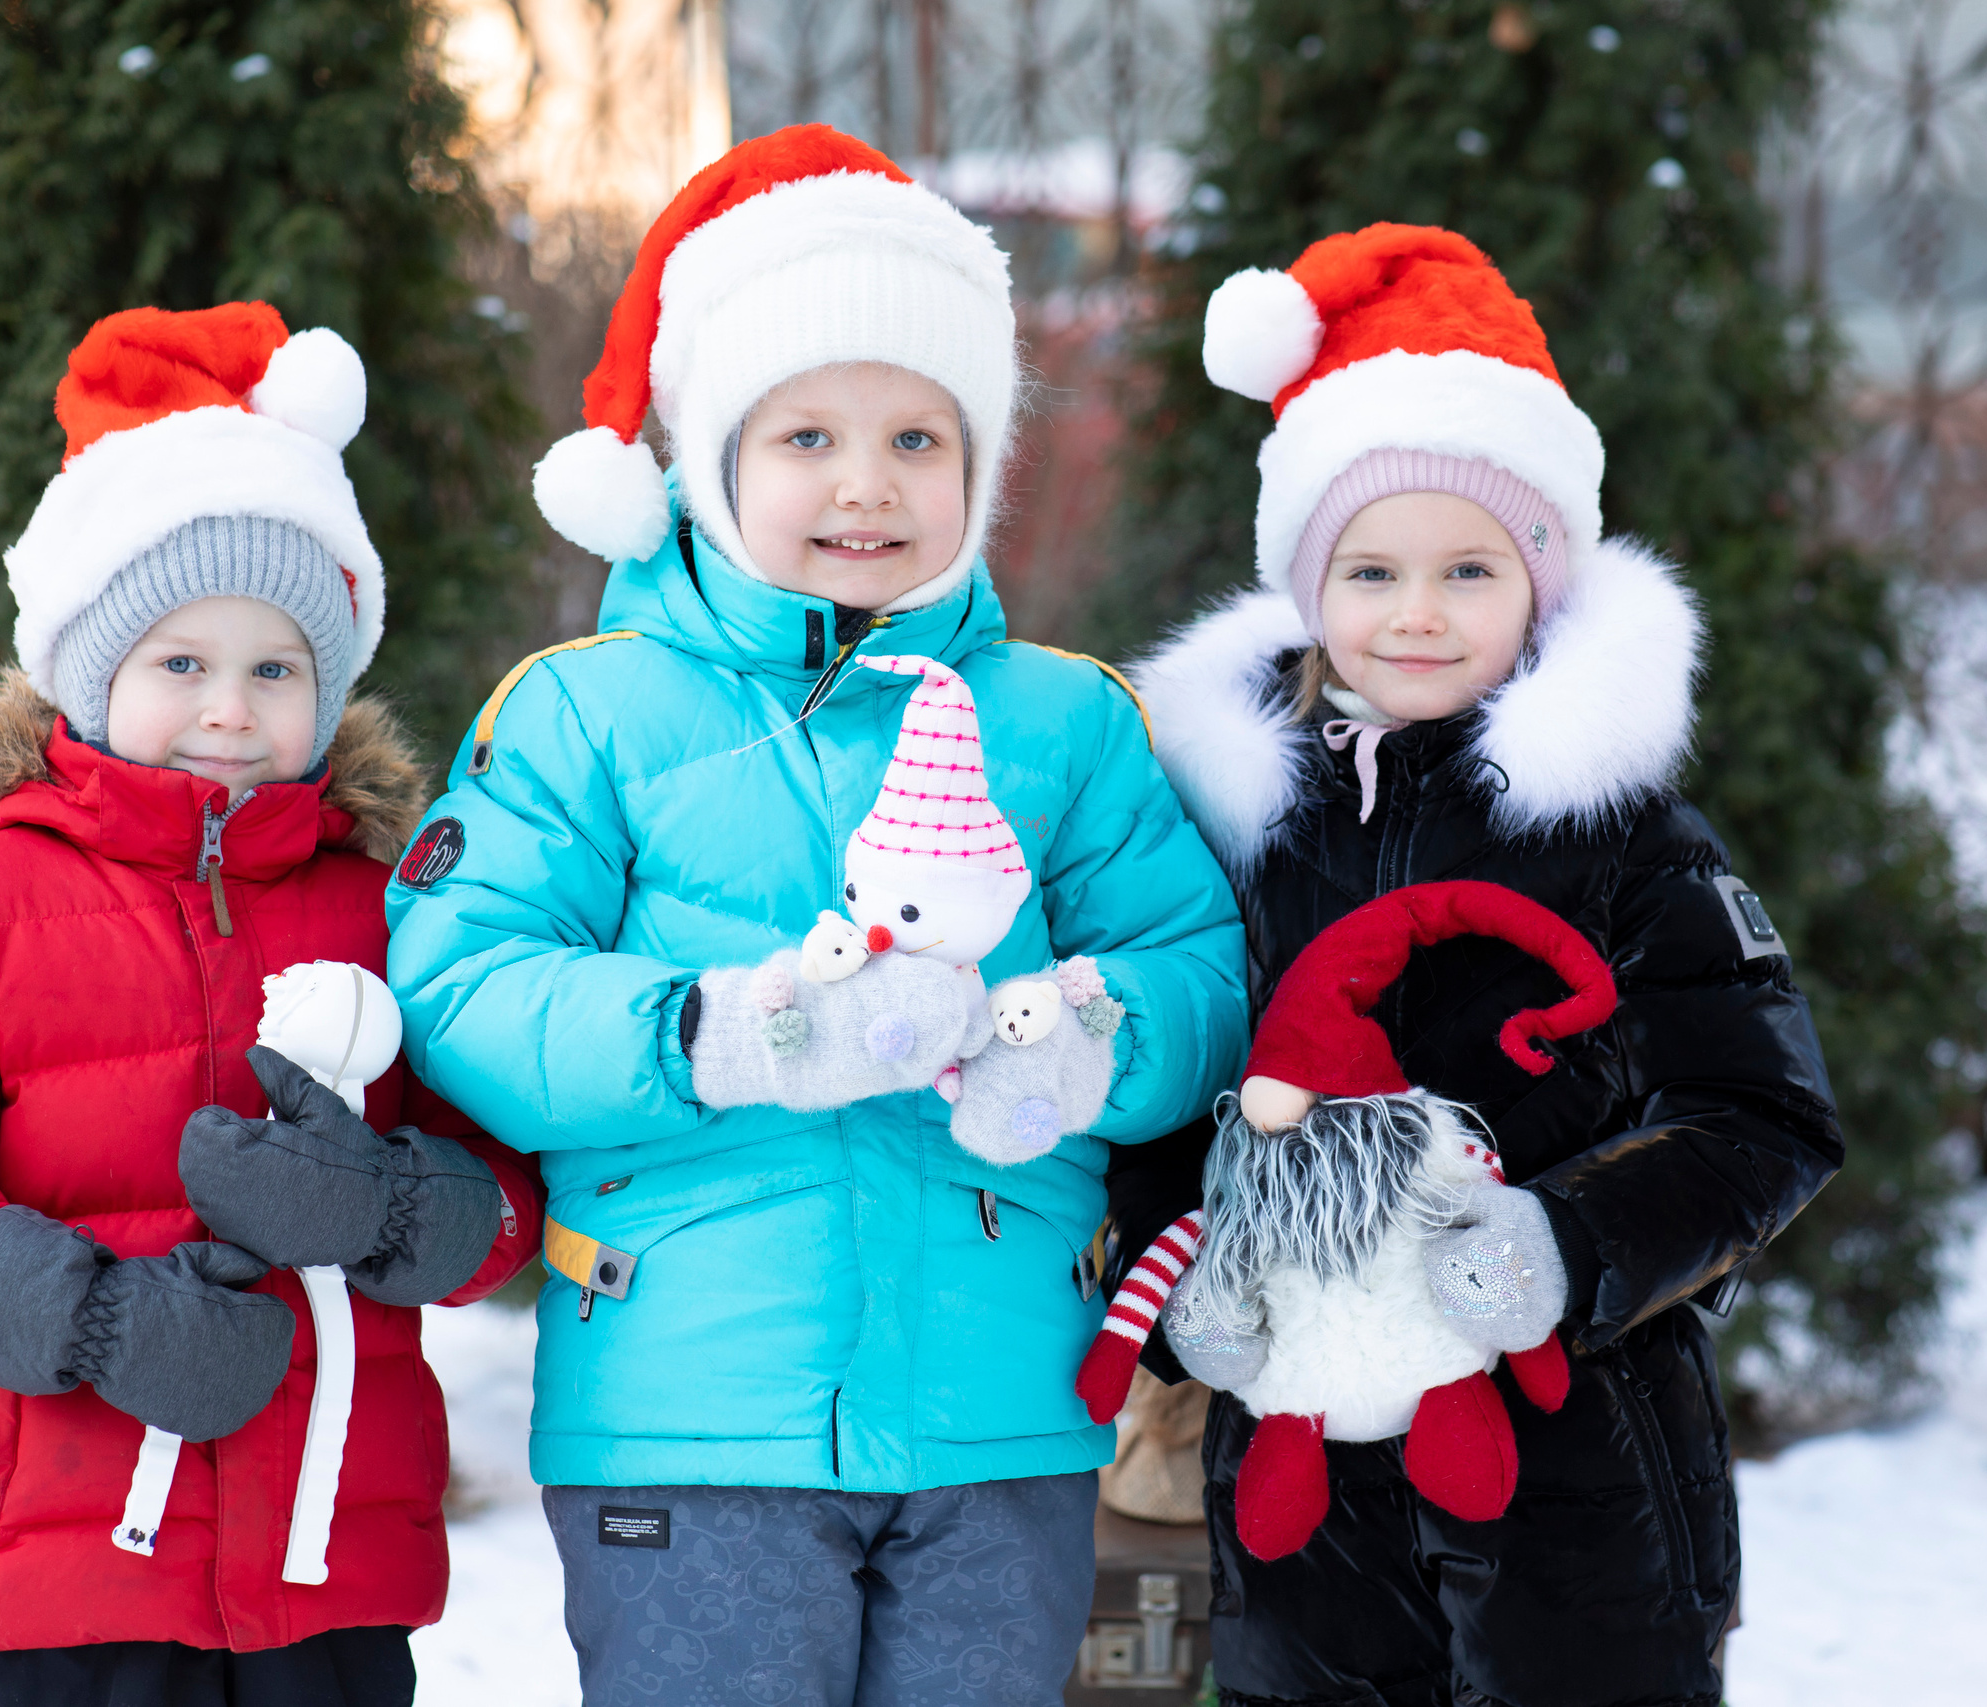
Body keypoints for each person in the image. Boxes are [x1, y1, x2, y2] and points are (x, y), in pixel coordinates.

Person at [377, 126, 1247, 1705]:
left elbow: (1197, 968)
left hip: (1003, 1411)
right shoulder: (585, 713)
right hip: (689, 1414)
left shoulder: (1067, 722)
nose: (867, 482)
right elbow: (461, 988)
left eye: (919, 437)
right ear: (710, 464)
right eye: (806, 437)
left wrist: (1090, 1045)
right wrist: (716, 1033)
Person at [1120, 223, 1845, 1707]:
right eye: (1371, 569)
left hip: (1582, 1491)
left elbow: (1763, 1117)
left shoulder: (1627, 837)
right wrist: (1182, 1276)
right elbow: (1164, 1079)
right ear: (1310, 585)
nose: (1418, 612)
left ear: (1541, 583)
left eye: (1468, 568)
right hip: (1305, 1500)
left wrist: (1567, 1247)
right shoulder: (1226, 829)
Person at [0, 303, 543, 1706]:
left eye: (276, 669)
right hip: (59, 1557)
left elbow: (504, 1179)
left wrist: (388, 1207)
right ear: (93, 676)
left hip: (325, 1560)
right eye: (181, 664)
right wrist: (90, 1320)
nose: (230, 710)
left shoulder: (396, 911)